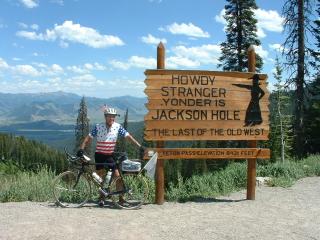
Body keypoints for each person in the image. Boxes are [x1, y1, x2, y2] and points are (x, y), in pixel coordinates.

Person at [77, 106, 143, 207]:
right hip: (99, 155)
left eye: (113, 117)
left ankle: (121, 199)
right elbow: (88, 138)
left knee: (117, 176)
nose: (112, 119)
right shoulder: (98, 126)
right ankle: (101, 198)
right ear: (105, 117)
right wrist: (81, 149)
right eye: (110, 116)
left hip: (109, 156)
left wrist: (140, 146)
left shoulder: (117, 126)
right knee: (101, 178)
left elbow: (129, 137)